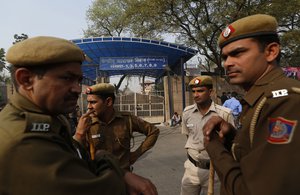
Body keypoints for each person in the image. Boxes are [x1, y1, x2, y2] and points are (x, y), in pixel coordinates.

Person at [0, 36, 157, 195]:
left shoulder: (52, 119)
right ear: (26, 79)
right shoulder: (23, 140)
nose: (77, 89)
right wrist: (107, 160)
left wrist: (130, 159)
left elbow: (74, 156)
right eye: (67, 78)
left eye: (78, 80)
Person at [203, 14, 300, 195]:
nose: (227, 63)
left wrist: (214, 148)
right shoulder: (260, 98)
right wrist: (233, 138)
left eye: (237, 53)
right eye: (225, 57)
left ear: (271, 52)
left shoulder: (284, 101)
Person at [74, 83, 160, 171]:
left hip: (124, 178)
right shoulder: (86, 124)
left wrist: (137, 154)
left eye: (93, 102)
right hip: (99, 179)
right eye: (88, 102)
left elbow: (153, 131)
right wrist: (79, 134)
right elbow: (74, 156)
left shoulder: (127, 119)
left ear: (108, 102)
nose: (89, 107)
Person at [180, 76, 235, 195]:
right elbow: (189, 136)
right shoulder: (187, 113)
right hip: (191, 168)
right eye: (193, 91)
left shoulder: (224, 114)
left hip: (215, 172)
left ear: (210, 92)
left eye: (200, 91)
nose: (195, 95)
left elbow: (232, 142)